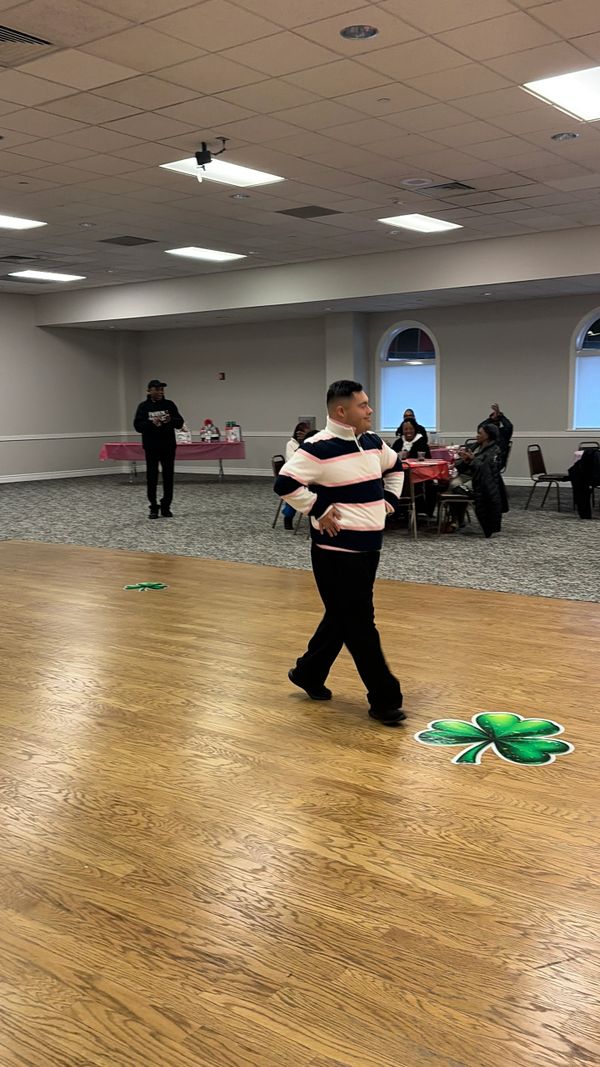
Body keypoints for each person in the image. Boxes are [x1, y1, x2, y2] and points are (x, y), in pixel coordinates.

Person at [274, 380, 406, 727]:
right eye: (363, 405)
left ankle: (309, 671)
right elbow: (285, 483)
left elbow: (395, 468)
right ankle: (385, 699)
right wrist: (317, 509)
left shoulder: (372, 441)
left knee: (342, 616)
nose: (370, 410)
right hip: (335, 552)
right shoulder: (317, 448)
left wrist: (389, 500)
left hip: (369, 547)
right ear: (341, 411)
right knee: (360, 622)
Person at [133, 380, 184, 519]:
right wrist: (151, 423)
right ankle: (153, 507)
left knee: (168, 477)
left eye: (162, 390)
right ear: (149, 391)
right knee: (152, 477)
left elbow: (180, 423)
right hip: (151, 447)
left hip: (168, 447)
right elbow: (137, 426)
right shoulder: (143, 407)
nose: (160, 392)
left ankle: (166, 506)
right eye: (157, 389)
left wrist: (170, 420)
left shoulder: (169, 405)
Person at [451, 422, 508, 537]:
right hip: (469, 475)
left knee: (458, 489)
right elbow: (463, 465)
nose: (477, 436)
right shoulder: (476, 446)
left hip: (482, 479)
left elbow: (486, 468)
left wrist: (472, 459)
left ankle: (456, 519)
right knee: (451, 484)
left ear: (488, 435)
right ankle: (457, 518)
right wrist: (465, 460)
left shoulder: (494, 450)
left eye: (480, 433)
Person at [392, 418, 434, 519]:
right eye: (406, 429)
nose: (408, 431)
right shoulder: (398, 443)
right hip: (399, 476)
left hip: (418, 477)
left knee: (430, 485)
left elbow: (428, 460)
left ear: (415, 429)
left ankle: (421, 510)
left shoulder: (421, 443)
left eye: (411, 429)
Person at [282, 422, 311, 530]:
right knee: (294, 491)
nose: (300, 435)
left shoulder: (311, 443)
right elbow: (292, 461)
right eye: (299, 433)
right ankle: (288, 517)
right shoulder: (290, 444)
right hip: (293, 475)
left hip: (308, 474)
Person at [486, 403, 513, 469]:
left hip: (497, 460)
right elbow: (480, 427)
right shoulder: (487, 433)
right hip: (485, 458)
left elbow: (509, 426)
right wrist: (491, 419)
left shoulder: (504, 433)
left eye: (496, 420)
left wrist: (500, 416)